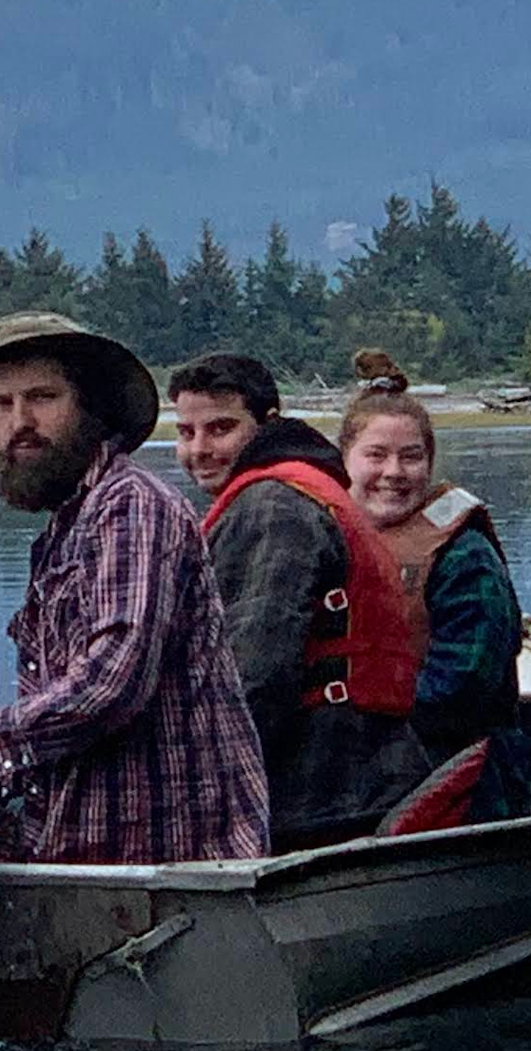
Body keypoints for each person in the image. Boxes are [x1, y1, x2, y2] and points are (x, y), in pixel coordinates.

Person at [0, 310, 268, 864]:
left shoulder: (130, 505)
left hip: (172, 864)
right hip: (93, 855)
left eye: (42, 397)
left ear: (87, 406)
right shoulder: (67, 526)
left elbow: (114, 681)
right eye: (2, 404)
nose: (20, 420)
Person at [167, 350, 422, 849]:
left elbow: (252, 677)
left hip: (326, 795)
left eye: (220, 429)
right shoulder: (305, 486)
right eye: (185, 432)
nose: (199, 448)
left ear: (267, 424)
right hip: (365, 779)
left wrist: (191, 800)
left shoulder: (271, 507)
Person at [346, 396, 531, 828]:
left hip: (465, 780)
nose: (393, 472)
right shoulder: (330, 540)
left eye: (411, 457)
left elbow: (460, 692)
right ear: (346, 461)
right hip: (366, 775)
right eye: (376, 455)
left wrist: (349, 730)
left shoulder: (466, 559)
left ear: (429, 465)